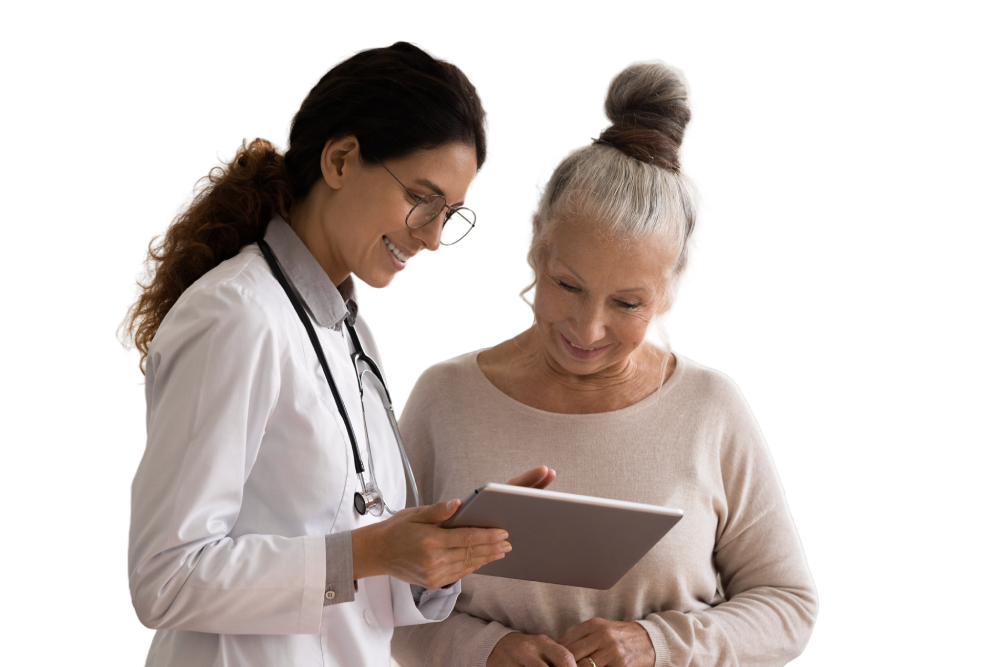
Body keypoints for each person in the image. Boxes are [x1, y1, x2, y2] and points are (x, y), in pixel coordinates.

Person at [121, 41, 553, 667]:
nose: (433, 238)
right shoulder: (235, 317)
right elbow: (164, 579)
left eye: (452, 215)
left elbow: (353, 578)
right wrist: (369, 553)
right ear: (341, 159)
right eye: (423, 200)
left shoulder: (351, 331)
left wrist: (435, 552)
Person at [390, 58, 820, 667]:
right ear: (534, 248)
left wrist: (659, 645)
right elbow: (387, 602)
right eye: (567, 284)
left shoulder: (711, 406)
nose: (587, 329)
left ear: (672, 293)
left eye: (626, 302)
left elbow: (789, 605)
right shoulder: (443, 397)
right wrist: (486, 650)